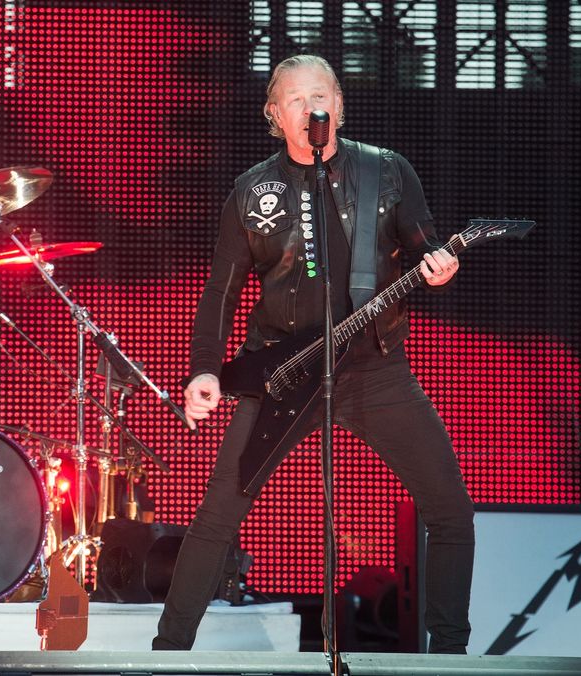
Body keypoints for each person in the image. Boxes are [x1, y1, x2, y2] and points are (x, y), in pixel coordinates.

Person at [154, 55, 475, 654]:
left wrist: (440, 265)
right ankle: (168, 652)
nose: (311, 109)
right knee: (218, 515)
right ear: (275, 116)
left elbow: (425, 241)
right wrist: (204, 369)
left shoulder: (388, 172)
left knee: (451, 510)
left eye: (321, 96)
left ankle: (450, 656)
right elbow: (221, 293)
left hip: (375, 369)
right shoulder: (252, 190)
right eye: (296, 101)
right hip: (283, 371)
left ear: (340, 106)